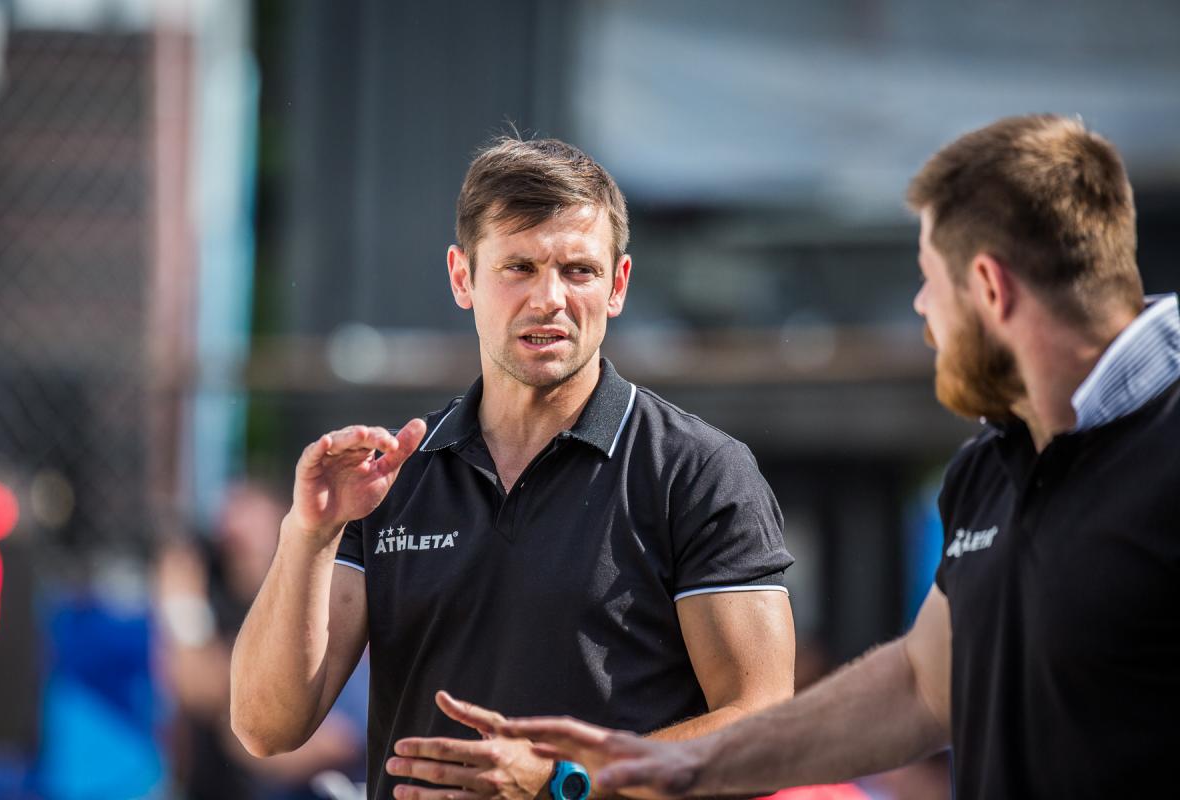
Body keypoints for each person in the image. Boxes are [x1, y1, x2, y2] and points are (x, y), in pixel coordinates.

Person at [496, 114, 1180, 799]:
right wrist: (679, 764)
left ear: (990, 288)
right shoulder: (993, 463)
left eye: (927, 281)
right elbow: (921, 683)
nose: (922, 311)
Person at [230, 137, 796, 800]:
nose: (548, 298)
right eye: (518, 267)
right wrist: (309, 534)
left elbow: (762, 732)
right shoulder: (391, 477)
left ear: (617, 285)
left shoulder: (697, 471)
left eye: (578, 270)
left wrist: (563, 784)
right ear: (462, 277)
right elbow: (265, 728)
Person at [156, 481, 368, 799]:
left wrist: (246, 724)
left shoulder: (322, 602)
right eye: (229, 533)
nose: (234, 537)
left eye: (249, 527)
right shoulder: (217, 604)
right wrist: (183, 603)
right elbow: (194, 686)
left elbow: (340, 742)